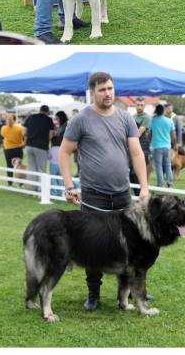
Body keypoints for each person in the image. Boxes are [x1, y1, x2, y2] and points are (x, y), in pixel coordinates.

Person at [58, 71, 150, 311]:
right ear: (93, 92)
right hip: (93, 196)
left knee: (131, 246)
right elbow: (64, 152)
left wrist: (144, 186)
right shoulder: (81, 119)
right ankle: (93, 295)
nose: (108, 93)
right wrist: (69, 185)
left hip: (122, 194)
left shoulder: (125, 118)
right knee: (92, 245)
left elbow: (137, 152)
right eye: (102, 90)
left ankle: (127, 295)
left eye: (110, 88)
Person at [23, 105, 55, 190]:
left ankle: (32, 188)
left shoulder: (31, 117)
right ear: (47, 112)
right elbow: (51, 134)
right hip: (41, 147)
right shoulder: (48, 119)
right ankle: (41, 189)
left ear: (39, 110)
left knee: (32, 168)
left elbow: (24, 131)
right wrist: (46, 140)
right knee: (41, 169)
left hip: (29, 145)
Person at [149, 103, 176, 188]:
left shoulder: (152, 121)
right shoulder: (169, 120)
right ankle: (170, 184)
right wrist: (174, 144)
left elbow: (150, 134)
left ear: (156, 111)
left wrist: (150, 142)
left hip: (156, 146)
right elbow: (173, 135)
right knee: (168, 165)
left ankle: (161, 184)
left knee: (158, 166)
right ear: (163, 111)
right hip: (167, 147)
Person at [0, 113, 26, 180]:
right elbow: (25, 135)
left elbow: (3, 135)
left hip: (12, 149)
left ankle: (14, 182)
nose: (8, 121)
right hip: (15, 148)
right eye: (7, 119)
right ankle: (15, 182)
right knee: (16, 166)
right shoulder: (20, 128)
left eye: (9, 119)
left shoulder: (4, 128)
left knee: (13, 166)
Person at [132, 97, 152, 181]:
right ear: (135, 105)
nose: (140, 107)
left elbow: (138, 133)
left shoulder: (146, 117)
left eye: (141, 105)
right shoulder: (133, 116)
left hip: (143, 147)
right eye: (138, 105)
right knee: (132, 173)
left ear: (145, 106)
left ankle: (144, 192)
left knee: (140, 173)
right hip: (134, 145)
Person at [49, 111, 68, 197]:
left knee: (55, 173)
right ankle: (60, 192)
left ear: (60, 118)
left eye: (57, 118)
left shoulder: (65, 127)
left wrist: (53, 136)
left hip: (58, 151)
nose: (56, 120)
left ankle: (56, 192)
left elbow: (59, 140)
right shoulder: (63, 127)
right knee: (60, 174)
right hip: (60, 152)